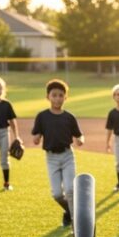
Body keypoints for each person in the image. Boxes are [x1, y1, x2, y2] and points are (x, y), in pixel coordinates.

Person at [32, 79, 84, 228]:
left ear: (65, 97)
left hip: (67, 156)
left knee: (69, 189)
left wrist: (80, 140)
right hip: (51, 158)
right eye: (54, 95)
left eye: (61, 95)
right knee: (56, 194)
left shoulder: (69, 117)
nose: (57, 98)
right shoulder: (42, 116)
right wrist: (36, 138)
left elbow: (79, 134)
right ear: (48, 96)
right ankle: (68, 211)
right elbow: (36, 136)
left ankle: (75, 224)